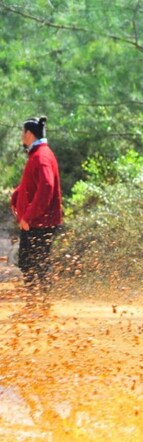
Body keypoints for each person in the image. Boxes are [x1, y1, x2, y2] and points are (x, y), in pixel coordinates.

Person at [10, 116, 63, 310]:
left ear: (29, 134)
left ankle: (40, 305)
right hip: (37, 221)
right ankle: (36, 304)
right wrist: (17, 195)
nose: (21, 136)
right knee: (28, 262)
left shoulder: (41, 156)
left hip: (40, 222)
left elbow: (47, 187)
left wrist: (29, 216)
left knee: (37, 263)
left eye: (23, 132)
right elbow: (33, 183)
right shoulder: (38, 154)